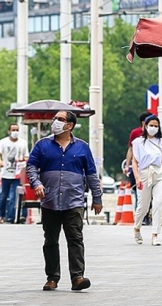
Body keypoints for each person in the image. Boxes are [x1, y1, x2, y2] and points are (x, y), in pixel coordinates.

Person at [26, 110, 102, 292]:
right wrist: (36, 183)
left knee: (75, 239)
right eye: (55, 119)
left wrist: (97, 197)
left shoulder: (82, 148)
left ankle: (77, 277)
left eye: (60, 119)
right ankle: (52, 278)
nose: (55, 122)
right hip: (49, 201)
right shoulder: (42, 145)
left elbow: (92, 174)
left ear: (70, 125)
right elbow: (31, 167)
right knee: (50, 240)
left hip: (74, 202)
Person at [130, 114, 162, 246]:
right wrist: (137, 178)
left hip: (159, 174)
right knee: (143, 206)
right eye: (151, 125)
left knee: (159, 203)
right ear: (145, 126)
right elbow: (134, 162)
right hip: (144, 174)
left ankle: (155, 234)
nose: (153, 128)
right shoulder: (138, 142)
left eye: (156, 126)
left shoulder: (161, 142)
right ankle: (137, 228)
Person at [0, 123, 29, 224]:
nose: (15, 132)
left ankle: (12, 216)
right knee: (3, 196)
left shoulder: (23, 143)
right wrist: (0, 161)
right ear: (9, 131)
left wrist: (22, 160)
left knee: (15, 196)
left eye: (17, 130)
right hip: (6, 173)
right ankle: (1, 215)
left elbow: (27, 156)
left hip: (17, 174)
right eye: (13, 130)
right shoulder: (3, 142)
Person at [124, 111, 153, 210]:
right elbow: (131, 149)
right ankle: (140, 214)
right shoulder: (135, 133)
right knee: (138, 192)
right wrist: (127, 166)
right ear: (143, 122)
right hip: (137, 168)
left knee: (150, 192)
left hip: (151, 167)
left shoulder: (154, 134)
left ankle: (148, 213)